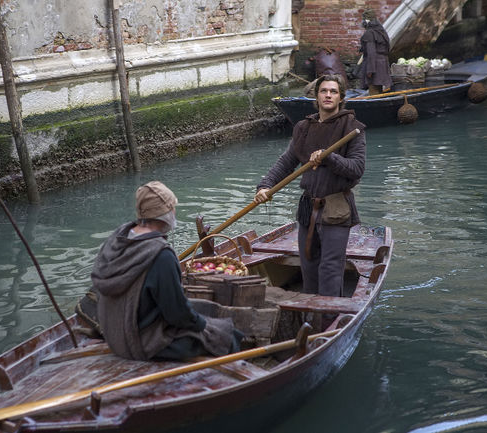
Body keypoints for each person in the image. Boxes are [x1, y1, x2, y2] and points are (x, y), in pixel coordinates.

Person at [90, 180, 241, 361]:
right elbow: (177, 314)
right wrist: (203, 325)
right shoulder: (161, 255)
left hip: (115, 338)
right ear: (166, 213)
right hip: (141, 344)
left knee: (203, 314)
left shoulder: (117, 239)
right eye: (173, 208)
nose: (175, 213)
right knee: (227, 334)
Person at [254, 75, 365, 297]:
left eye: (333, 92)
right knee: (308, 264)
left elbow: (357, 168)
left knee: (330, 267)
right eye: (324, 91)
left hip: (336, 207)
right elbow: (286, 162)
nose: (328, 95)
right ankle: (310, 312)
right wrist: (265, 186)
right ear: (316, 96)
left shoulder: (353, 128)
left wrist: (329, 157)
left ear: (341, 97)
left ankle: (329, 314)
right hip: (308, 207)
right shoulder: (303, 128)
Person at [358, 9, 392, 95]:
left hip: (374, 66)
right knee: (379, 90)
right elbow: (387, 48)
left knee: (374, 91)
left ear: (365, 21)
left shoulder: (369, 33)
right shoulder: (381, 31)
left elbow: (371, 53)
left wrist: (370, 70)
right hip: (382, 64)